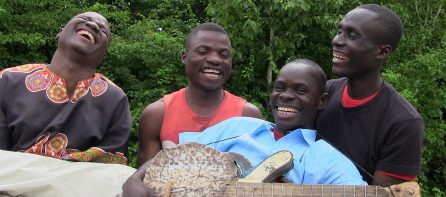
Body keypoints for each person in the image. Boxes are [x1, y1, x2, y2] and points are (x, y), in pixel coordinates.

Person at [123, 59, 367, 197]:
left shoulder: (328, 159)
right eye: (280, 88)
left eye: (300, 90)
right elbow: (174, 157)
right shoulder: (238, 126)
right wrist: (135, 181)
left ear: (321, 101)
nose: (286, 96)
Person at [0, 12, 134, 196]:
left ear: (103, 55)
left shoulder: (115, 99)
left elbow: (110, 169)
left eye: (103, 30)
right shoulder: (8, 80)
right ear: (60, 33)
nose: (94, 26)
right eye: (86, 20)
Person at [316, 4, 424, 186]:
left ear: (382, 52)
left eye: (352, 35)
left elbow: (383, 193)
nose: (337, 41)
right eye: (339, 31)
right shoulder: (324, 93)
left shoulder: (404, 123)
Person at [136, 22, 262, 167]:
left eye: (224, 55)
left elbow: (257, 181)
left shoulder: (247, 116)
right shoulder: (157, 115)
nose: (215, 59)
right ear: (184, 57)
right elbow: (146, 182)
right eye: (203, 52)